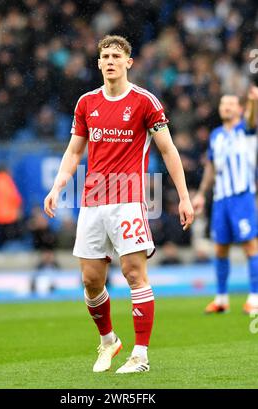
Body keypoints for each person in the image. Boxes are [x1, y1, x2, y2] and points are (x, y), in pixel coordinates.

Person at [44, 35, 194, 373]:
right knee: (91, 281)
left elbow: (168, 150)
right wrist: (57, 186)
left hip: (128, 199)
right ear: (98, 63)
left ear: (128, 62)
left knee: (133, 273)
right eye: (105, 56)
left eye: (116, 56)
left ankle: (140, 355)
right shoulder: (86, 103)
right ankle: (109, 341)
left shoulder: (145, 101)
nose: (110, 61)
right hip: (93, 201)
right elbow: (74, 151)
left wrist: (184, 197)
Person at [193, 87, 258, 314]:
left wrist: (254, 102)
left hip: (242, 196)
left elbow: (252, 119)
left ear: (239, 109)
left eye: (230, 104)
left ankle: (255, 297)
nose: (225, 108)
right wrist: (201, 193)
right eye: (222, 104)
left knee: (250, 245)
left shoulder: (247, 130)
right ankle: (221, 299)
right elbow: (211, 167)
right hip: (221, 199)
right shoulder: (216, 135)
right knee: (220, 248)